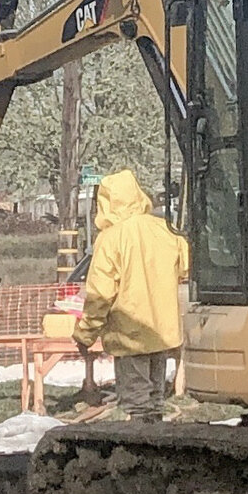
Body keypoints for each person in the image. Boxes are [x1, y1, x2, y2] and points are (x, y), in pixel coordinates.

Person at [74, 167, 190, 421]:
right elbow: (185, 268)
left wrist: (85, 334)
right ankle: (158, 447)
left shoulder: (110, 239)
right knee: (155, 400)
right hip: (162, 332)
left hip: (130, 335)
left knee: (137, 406)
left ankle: (140, 451)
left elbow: (100, 296)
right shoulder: (166, 229)